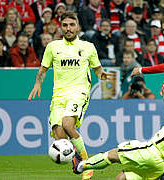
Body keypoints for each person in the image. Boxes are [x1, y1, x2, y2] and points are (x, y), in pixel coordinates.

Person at [27, 11, 112, 180]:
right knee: (59, 135)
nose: (68, 28)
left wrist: (103, 76)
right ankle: (76, 159)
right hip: (58, 95)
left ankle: (87, 163)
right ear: (61, 27)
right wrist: (38, 84)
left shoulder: (88, 47)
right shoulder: (53, 47)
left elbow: (97, 70)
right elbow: (43, 69)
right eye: (65, 25)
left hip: (79, 91)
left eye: (72, 25)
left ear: (78, 27)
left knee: (68, 123)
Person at [72, 78, 164, 180]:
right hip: (160, 165)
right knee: (122, 178)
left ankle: (81, 166)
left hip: (152, 152)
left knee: (114, 154)